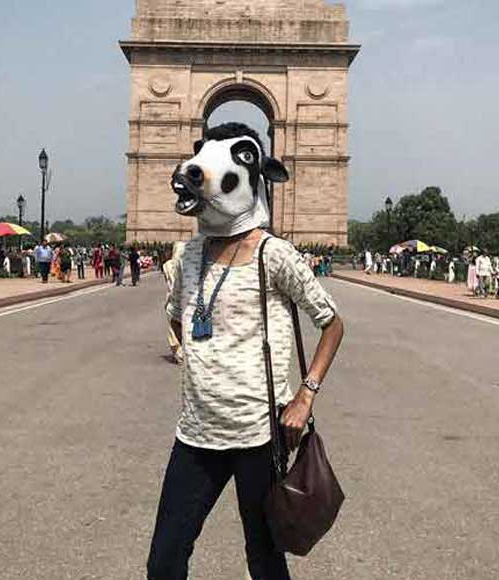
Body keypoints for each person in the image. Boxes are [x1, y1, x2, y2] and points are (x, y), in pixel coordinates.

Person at [147, 123, 344, 580]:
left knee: (264, 560)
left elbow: (332, 321)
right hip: (196, 434)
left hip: (259, 433)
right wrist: (201, 355)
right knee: (164, 561)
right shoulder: (191, 253)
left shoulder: (273, 254)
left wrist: (305, 394)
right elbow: (177, 313)